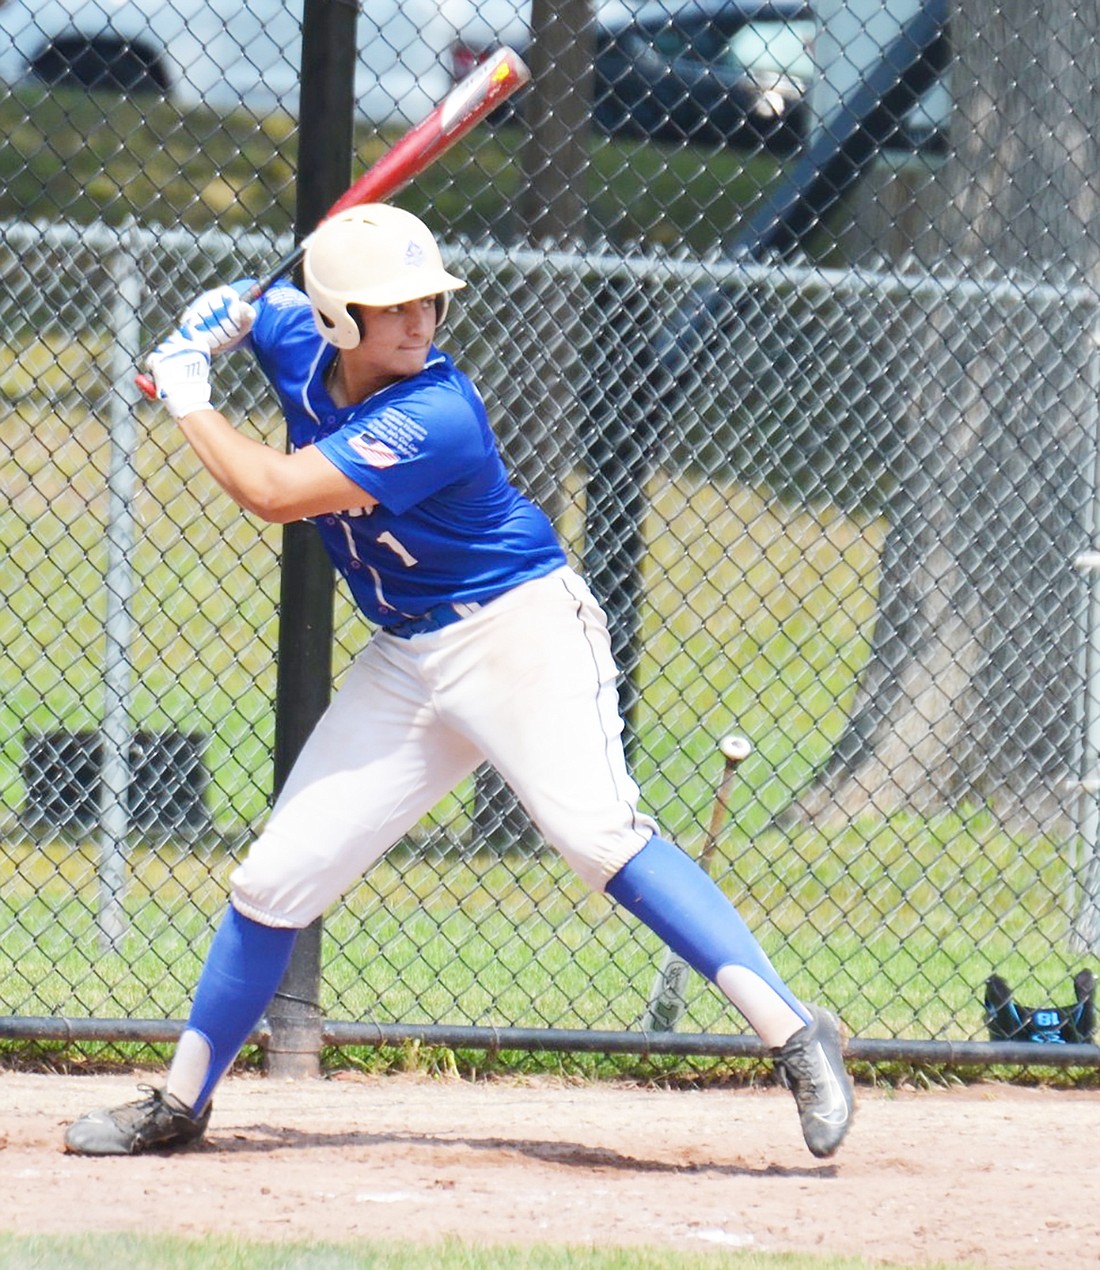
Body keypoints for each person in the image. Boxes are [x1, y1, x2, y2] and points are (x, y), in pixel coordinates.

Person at [63, 204, 853, 1159]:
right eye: (391, 308)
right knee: (275, 879)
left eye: (427, 303)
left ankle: (793, 1032)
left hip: (518, 633)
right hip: (406, 657)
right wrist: (218, 311)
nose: (419, 322)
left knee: (596, 836)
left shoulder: (435, 412)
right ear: (337, 319)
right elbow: (257, 304)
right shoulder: (297, 332)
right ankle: (181, 1103)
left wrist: (189, 389)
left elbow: (269, 493)